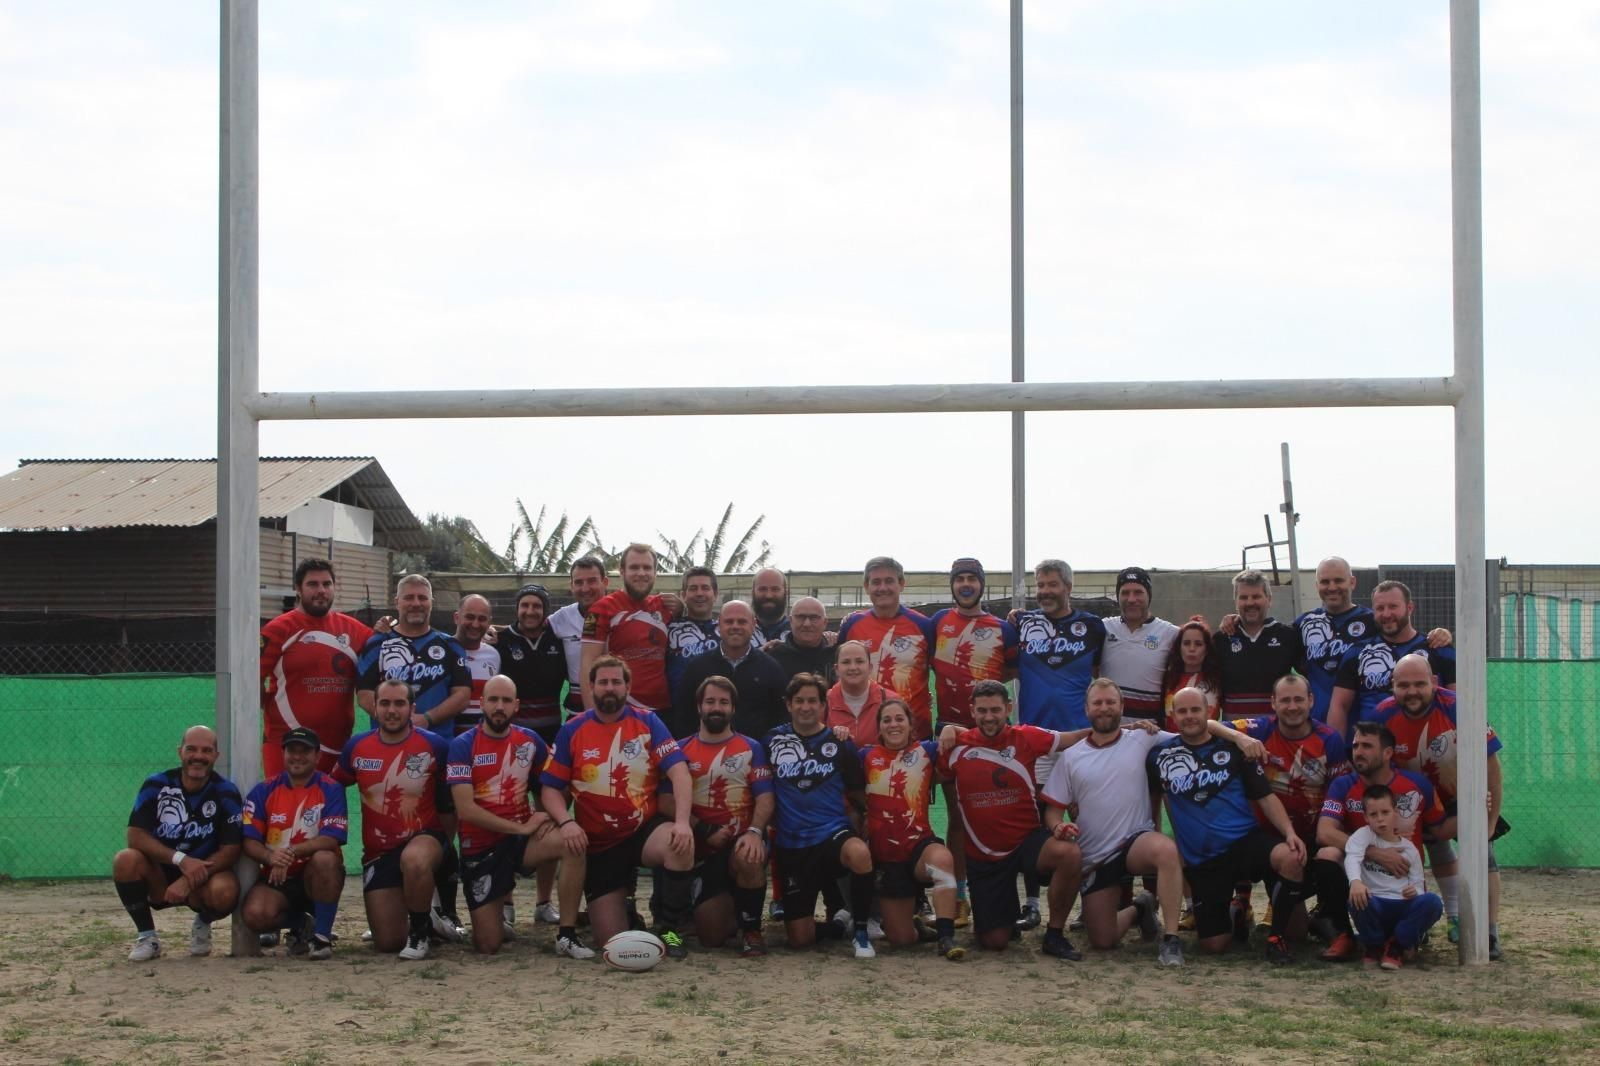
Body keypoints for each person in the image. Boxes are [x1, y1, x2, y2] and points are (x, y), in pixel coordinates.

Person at [540, 655, 697, 959]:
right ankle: (625, 909)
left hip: (642, 831)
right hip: (600, 844)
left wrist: (681, 822)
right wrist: (566, 822)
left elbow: (679, 772)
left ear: (628, 687)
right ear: (591, 687)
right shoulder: (573, 729)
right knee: (611, 942)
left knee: (678, 844)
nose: (609, 688)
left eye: (616, 682)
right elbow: (550, 789)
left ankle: (669, 928)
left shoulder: (648, 722)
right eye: (603, 682)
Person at [1150, 686, 1306, 965]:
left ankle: (1276, 938)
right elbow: (1156, 802)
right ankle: (1237, 914)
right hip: (1204, 858)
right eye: (1182, 711)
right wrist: (1163, 842)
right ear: (1172, 716)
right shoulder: (1158, 756)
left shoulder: (1233, 748)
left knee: (1291, 860)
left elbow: (1265, 796)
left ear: (1209, 712)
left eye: (1195, 710)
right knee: (1214, 945)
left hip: (1244, 842)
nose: (1189, 716)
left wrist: (1289, 833)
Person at [936, 680, 1088, 958]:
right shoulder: (955, 746)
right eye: (982, 711)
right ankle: (1005, 918)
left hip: (1026, 842)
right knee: (995, 942)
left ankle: (1054, 935)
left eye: (996, 710)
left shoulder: (1027, 736)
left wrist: (1127, 731)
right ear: (972, 711)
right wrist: (949, 728)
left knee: (1070, 854)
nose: (989, 717)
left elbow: (1075, 737)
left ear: (1008, 708)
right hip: (984, 857)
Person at [1040, 679, 1186, 966]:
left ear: (1122, 706)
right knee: (1103, 940)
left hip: (1136, 841)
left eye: (1110, 702)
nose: (1104, 708)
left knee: (1166, 851)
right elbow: (1053, 811)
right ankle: (1140, 908)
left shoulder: (1143, 738)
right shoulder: (1071, 757)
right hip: (1097, 857)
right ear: (1086, 709)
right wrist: (1058, 826)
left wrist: (1240, 736)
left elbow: (1193, 735)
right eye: (1098, 703)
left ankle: (1171, 940)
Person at [1373, 653, 1505, 958]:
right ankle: (1411, 923)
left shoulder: (1461, 708)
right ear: (1392, 685)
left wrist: (1490, 822)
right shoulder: (1382, 715)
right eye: (1403, 685)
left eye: (1419, 684)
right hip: (1412, 800)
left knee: (1483, 854)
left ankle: (1488, 932)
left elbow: (1491, 765)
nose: (1412, 691)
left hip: (1461, 796)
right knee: (1408, 854)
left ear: (1434, 682)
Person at [448, 675, 590, 957]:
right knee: (488, 945)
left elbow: (553, 785)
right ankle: (497, 917)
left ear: (516, 705)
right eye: (493, 700)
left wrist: (551, 817)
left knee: (573, 843)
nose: (499, 707)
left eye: (506, 700)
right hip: (481, 848)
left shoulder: (530, 741)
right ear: (482, 703)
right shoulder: (462, 745)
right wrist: (521, 828)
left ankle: (567, 934)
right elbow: (465, 809)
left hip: (521, 844)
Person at [1229, 674, 1351, 951]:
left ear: (1311, 701)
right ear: (1273, 703)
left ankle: (1328, 915)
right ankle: (1241, 903)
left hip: (1311, 836)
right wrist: (1238, 737)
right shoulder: (1261, 729)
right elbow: (1209, 725)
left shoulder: (1328, 739)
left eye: (1298, 699)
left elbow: (1339, 793)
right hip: (1271, 840)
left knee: (1332, 856)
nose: (1292, 706)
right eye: (1285, 700)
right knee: (1296, 934)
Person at [334, 679, 454, 959]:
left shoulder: (434, 745)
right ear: (374, 708)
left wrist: (448, 847)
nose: (391, 710)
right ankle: (428, 919)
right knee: (388, 942)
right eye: (385, 703)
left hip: (424, 839)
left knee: (414, 859)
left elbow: (450, 800)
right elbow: (333, 786)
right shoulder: (357, 747)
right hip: (379, 853)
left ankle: (420, 932)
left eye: (399, 703)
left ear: (412, 708)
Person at [927, 557, 1017, 926]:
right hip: (949, 731)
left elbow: (1011, 669)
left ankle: (998, 895)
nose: (966, 584)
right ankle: (960, 897)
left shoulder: (1002, 628)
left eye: (972, 579)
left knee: (994, 813)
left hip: (991, 733)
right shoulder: (938, 622)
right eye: (960, 578)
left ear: (982, 584)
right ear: (952, 585)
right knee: (958, 817)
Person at [765, 673, 878, 958]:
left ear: (823, 705)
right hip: (792, 843)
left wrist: (869, 818)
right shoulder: (771, 740)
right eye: (799, 701)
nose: (806, 707)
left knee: (859, 853)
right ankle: (839, 926)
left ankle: (862, 932)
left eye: (812, 701)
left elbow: (857, 792)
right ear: (788, 704)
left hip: (832, 834)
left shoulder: (840, 742)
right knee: (800, 940)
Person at [1315, 720, 1449, 961]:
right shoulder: (1343, 784)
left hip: (1405, 888)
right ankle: (1343, 935)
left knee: (1431, 904)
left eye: (1367, 746)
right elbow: (1324, 832)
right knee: (1327, 855)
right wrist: (1376, 853)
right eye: (1356, 746)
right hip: (1368, 888)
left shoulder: (1417, 785)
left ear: (1388, 753)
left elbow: (1440, 830)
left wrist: (1478, 809)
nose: (1358, 752)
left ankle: (1401, 938)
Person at [112, 725, 243, 961]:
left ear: (216, 756)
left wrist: (189, 879)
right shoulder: (156, 784)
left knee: (226, 890)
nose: (198, 756)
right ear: (179, 751)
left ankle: (202, 922)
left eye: (206, 750)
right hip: (160, 873)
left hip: (203, 874)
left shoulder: (226, 791)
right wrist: (180, 860)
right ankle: (147, 937)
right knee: (125, 860)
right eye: (191, 749)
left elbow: (231, 849)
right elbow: (135, 835)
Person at [672, 675, 775, 957]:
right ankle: (726, 905)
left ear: (733, 708)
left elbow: (765, 798)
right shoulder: (680, 749)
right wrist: (703, 829)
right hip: (702, 849)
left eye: (723, 702)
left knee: (749, 854)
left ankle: (752, 929)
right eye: (710, 701)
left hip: (740, 841)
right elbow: (666, 801)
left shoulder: (751, 747)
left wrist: (755, 832)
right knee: (711, 938)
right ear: (699, 707)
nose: (716, 708)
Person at [860, 696, 965, 961]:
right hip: (887, 857)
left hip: (919, 847)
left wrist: (951, 728)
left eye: (899, 719)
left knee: (942, 860)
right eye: (886, 720)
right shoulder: (865, 756)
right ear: (879, 726)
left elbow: (973, 738)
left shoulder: (927, 751)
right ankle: (917, 926)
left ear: (910, 724)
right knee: (901, 940)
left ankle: (945, 936)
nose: (893, 724)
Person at [239, 727, 347, 959]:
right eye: (292, 750)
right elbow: (249, 840)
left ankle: (321, 938)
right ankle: (302, 923)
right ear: (283, 754)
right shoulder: (263, 790)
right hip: (277, 876)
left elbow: (332, 838)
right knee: (255, 915)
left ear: (317, 756)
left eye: (304, 751)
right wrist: (269, 857)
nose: (297, 756)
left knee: (326, 858)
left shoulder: (331, 788)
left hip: (314, 874)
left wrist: (289, 853)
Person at [260, 558, 373, 775]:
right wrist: (272, 711)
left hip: (335, 747)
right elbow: (251, 678)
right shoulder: (277, 629)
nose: (321, 590)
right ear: (298, 589)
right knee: (283, 798)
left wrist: (387, 627)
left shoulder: (356, 631)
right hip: (286, 744)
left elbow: (385, 652)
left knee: (329, 799)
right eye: (312, 584)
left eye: (327, 584)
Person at [1328, 581, 1457, 736]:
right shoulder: (1357, 653)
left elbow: (1459, 703)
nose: (1386, 614)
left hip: (1431, 743)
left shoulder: (1438, 649)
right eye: (1380, 608)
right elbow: (1339, 705)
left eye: (1393, 606)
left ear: (1410, 608)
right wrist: (1336, 748)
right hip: (1376, 745)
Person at [1014, 558, 1106, 770]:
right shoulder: (1022, 623)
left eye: (1053, 584)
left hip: (1080, 738)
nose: (1045, 591)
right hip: (1035, 738)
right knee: (1037, 794)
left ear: (1069, 587)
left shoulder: (1093, 626)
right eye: (1040, 585)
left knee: (1082, 793)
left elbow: (1098, 672)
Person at [1343, 785, 1444, 970]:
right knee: (1356, 898)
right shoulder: (1363, 835)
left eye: (1385, 812)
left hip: (1402, 905)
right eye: (1373, 814)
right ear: (1365, 817)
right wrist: (1355, 882)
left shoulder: (1409, 849)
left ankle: (1397, 945)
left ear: (1395, 812)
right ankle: (1374, 946)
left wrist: (1415, 891)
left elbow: (1418, 883)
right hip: (1375, 903)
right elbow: (1352, 857)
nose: (1380, 819)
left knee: (1433, 902)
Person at [356, 574, 471, 732]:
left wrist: (427, 719)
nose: (416, 603)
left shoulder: (451, 646)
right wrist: (397, 721)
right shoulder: (377, 644)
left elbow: (462, 696)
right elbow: (364, 694)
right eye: (409, 597)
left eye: (422, 598)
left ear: (431, 602)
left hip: (438, 742)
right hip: (388, 741)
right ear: (397, 602)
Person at [837, 556, 935, 740]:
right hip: (866, 734)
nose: (882, 588)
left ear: (901, 584)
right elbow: (838, 673)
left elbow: (943, 672)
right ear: (866, 587)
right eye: (876, 582)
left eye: (889, 581)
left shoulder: (924, 625)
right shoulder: (851, 625)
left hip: (915, 734)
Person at [672, 600, 790, 740]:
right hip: (707, 750)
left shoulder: (771, 668)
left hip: (756, 751)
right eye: (729, 621)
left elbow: (781, 718)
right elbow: (683, 716)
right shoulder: (697, 667)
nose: (735, 626)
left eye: (742, 622)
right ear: (718, 626)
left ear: (754, 625)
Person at [580, 543, 672, 713]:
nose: (641, 573)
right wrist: (592, 717)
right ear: (622, 571)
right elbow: (587, 666)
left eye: (647, 568)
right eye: (634, 567)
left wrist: (682, 607)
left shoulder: (665, 606)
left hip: (663, 711)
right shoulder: (600, 609)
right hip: (621, 710)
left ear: (655, 572)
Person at [1213, 570, 1303, 719]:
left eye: (1256, 596)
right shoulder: (1221, 639)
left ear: (1269, 599)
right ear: (1236, 602)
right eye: (1243, 597)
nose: (1250, 603)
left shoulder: (1288, 636)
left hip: (1276, 729)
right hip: (1233, 731)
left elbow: (1309, 678)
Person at [1100, 567, 1179, 723]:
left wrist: (1229, 622)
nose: (1131, 599)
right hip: (1110, 729)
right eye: (1125, 593)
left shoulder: (1170, 633)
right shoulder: (1102, 628)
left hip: (1151, 731)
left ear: (1149, 595)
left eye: (1138, 592)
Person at [495, 583, 568, 743]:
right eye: (524, 605)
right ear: (517, 609)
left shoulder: (558, 639)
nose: (530, 611)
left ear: (545, 611)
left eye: (537, 606)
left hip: (553, 734)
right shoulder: (501, 640)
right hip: (513, 735)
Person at [549, 557, 610, 715]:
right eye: (579, 582)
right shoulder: (563, 617)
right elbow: (528, 627)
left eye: (592, 581)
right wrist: (491, 630)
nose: (585, 588)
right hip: (577, 712)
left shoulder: (621, 612)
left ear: (605, 582)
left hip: (619, 707)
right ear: (572, 586)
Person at [666, 566, 722, 714]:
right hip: (677, 714)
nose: (699, 593)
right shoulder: (667, 629)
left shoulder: (727, 630)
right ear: (683, 595)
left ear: (715, 594)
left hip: (718, 712)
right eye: (693, 588)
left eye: (705, 588)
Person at [826, 640, 899, 749]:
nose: (853, 667)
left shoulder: (892, 701)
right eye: (846, 662)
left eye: (859, 661)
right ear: (836, 669)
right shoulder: (824, 701)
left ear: (870, 667)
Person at [453, 593, 500, 735]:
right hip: (447, 739)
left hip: (483, 740)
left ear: (489, 622)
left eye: (482, 619)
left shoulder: (494, 655)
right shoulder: (442, 650)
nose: (475, 624)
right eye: (469, 617)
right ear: (456, 618)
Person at [1161, 618, 1221, 728]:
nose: (1192, 649)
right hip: (1172, 738)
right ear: (1179, 647)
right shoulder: (1166, 679)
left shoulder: (1217, 679)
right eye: (1186, 643)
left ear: (1206, 649)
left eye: (1198, 644)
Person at [766, 596, 838, 684]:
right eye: (801, 617)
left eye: (814, 618)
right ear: (791, 621)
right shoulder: (773, 659)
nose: (807, 624)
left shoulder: (837, 657)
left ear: (825, 622)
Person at [750, 567, 792, 643]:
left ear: (786, 593)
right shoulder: (741, 631)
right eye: (762, 589)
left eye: (775, 589)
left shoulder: (797, 633)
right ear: (753, 592)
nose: (769, 595)